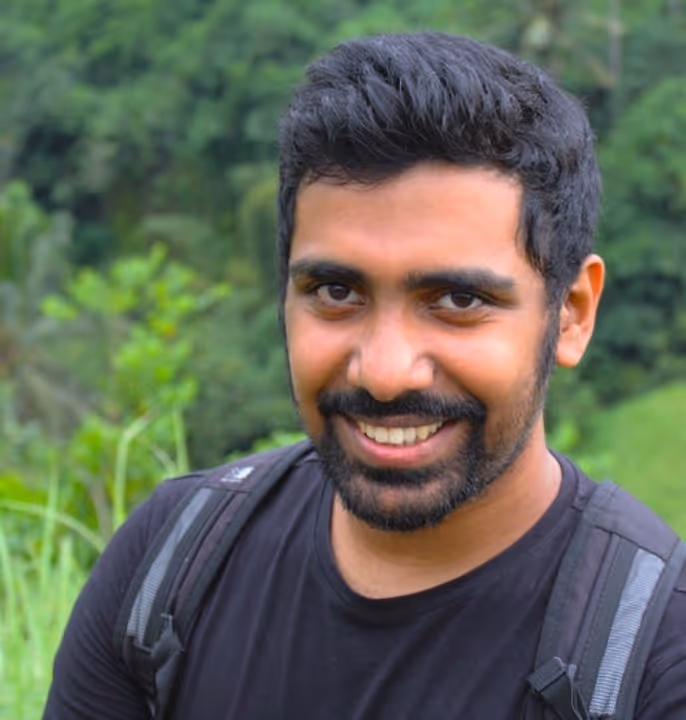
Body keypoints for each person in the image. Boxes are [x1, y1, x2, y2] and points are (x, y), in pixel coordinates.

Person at [42, 32, 686, 719]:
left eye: (458, 300)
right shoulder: (171, 565)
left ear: (572, 313)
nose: (384, 372)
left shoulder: (655, 658)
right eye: (336, 292)